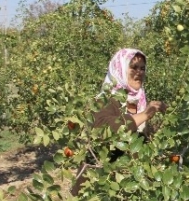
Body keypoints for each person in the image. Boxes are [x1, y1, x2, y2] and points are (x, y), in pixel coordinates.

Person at [71, 48, 167, 196]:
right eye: (134, 67)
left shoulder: (138, 100)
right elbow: (106, 128)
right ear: (120, 68)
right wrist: (145, 115)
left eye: (142, 68)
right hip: (99, 186)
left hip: (129, 185)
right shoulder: (103, 100)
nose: (139, 72)